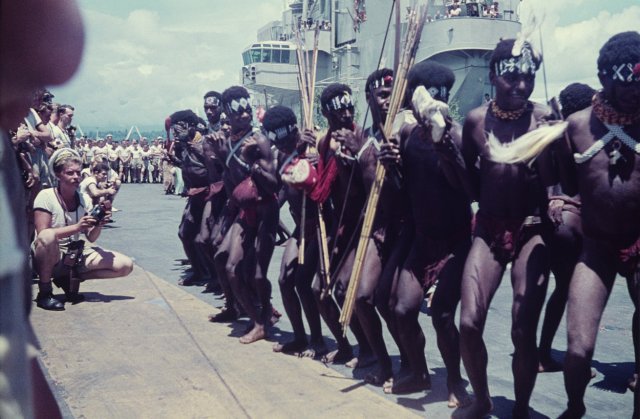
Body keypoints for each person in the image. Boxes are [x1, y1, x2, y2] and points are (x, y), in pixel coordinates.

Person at [456, 39, 554, 418]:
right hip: (490, 228)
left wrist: (550, 144)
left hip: (531, 229)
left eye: (528, 77)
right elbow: (469, 180)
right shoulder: (476, 121)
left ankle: (522, 409)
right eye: (512, 77)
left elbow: (557, 182)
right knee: (469, 323)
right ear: (494, 76)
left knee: (522, 328)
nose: (521, 85)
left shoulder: (544, 118)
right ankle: (482, 400)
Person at [550, 31, 640, 419]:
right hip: (596, 247)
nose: (635, 91)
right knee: (578, 350)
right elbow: (567, 185)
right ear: (604, 77)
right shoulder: (575, 127)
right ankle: (575, 408)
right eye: (626, 83)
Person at [379, 62, 472, 408]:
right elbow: (402, 191)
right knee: (401, 309)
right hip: (423, 239)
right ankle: (418, 372)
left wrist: (444, 145)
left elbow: (467, 188)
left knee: (443, 315)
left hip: (456, 241)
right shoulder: (406, 135)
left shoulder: (458, 135)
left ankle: (455, 380)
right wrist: (390, 166)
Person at [307, 83, 374, 367]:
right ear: (326, 113)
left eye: (349, 108)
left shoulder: (362, 138)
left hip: (361, 225)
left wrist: (355, 157)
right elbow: (320, 184)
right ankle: (345, 346)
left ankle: (370, 349)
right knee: (317, 289)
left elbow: (369, 185)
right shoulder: (323, 142)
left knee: (346, 290)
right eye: (338, 111)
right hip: (336, 225)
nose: (346, 114)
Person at [208, 86, 279, 343]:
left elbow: (273, 184)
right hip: (243, 212)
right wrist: (220, 156)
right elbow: (229, 180)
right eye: (238, 113)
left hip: (265, 213)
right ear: (227, 114)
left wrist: (248, 161)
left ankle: (263, 317)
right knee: (226, 264)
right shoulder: (226, 142)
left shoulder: (260, 140)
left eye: (247, 110)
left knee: (255, 274)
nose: (245, 115)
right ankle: (247, 313)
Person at [349, 68, 405, 385]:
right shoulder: (364, 139)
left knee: (395, 304)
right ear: (369, 97)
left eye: (392, 94)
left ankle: (411, 362)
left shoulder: (405, 131)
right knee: (361, 298)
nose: (388, 100)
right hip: (376, 225)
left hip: (405, 227)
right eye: (382, 94)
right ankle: (383, 363)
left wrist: (397, 165)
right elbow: (355, 189)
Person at [537, 82, 595, 373]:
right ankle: (576, 360)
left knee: (561, 289)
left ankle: (543, 353)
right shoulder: (584, 133)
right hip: (575, 219)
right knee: (577, 292)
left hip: (551, 219)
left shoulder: (553, 132)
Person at [32, 148, 133, 310]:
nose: (76, 177)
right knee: (47, 237)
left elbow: (91, 237)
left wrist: (99, 224)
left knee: (125, 266)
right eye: (69, 173)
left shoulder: (83, 199)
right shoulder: (46, 196)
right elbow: (43, 234)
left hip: (74, 253)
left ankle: (70, 277)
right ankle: (44, 292)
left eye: (78, 173)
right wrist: (76, 227)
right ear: (58, 175)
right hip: (52, 253)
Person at [262, 106, 327, 356]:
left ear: (293, 130)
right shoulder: (282, 155)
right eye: (278, 143)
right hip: (300, 227)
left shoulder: (314, 144)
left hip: (320, 224)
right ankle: (300, 337)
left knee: (304, 283)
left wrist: (318, 161)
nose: (282, 146)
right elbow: (280, 190)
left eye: (285, 140)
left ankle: (318, 339)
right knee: (284, 280)